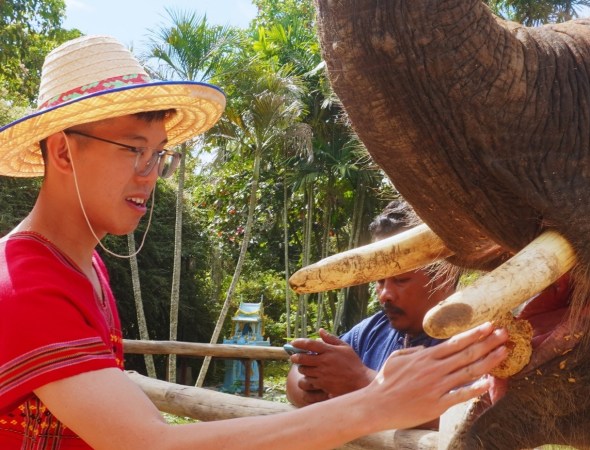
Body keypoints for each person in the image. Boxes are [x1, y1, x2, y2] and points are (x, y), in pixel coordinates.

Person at [0, 35, 509, 450]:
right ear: (63, 152)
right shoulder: (27, 284)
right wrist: (376, 403)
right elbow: (148, 443)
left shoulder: (83, 269)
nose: (150, 175)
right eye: (134, 151)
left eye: (160, 154)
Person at [285, 200, 460, 423]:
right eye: (379, 281)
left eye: (401, 280)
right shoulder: (373, 331)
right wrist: (313, 389)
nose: (385, 294)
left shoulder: (475, 337)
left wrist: (361, 381)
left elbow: (460, 415)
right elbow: (294, 376)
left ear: (445, 275)